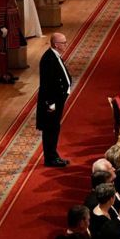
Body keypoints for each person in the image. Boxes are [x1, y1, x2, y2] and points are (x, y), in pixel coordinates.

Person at [37, 32, 71, 167]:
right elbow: (48, 85)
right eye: (64, 43)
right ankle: (50, 158)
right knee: (50, 129)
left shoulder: (54, 56)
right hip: (51, 104)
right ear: (56, 45)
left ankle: (53, 155)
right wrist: (51, 106)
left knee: (54, 128)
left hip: (56, 102)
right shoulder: (48, 60)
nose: (66, 45)